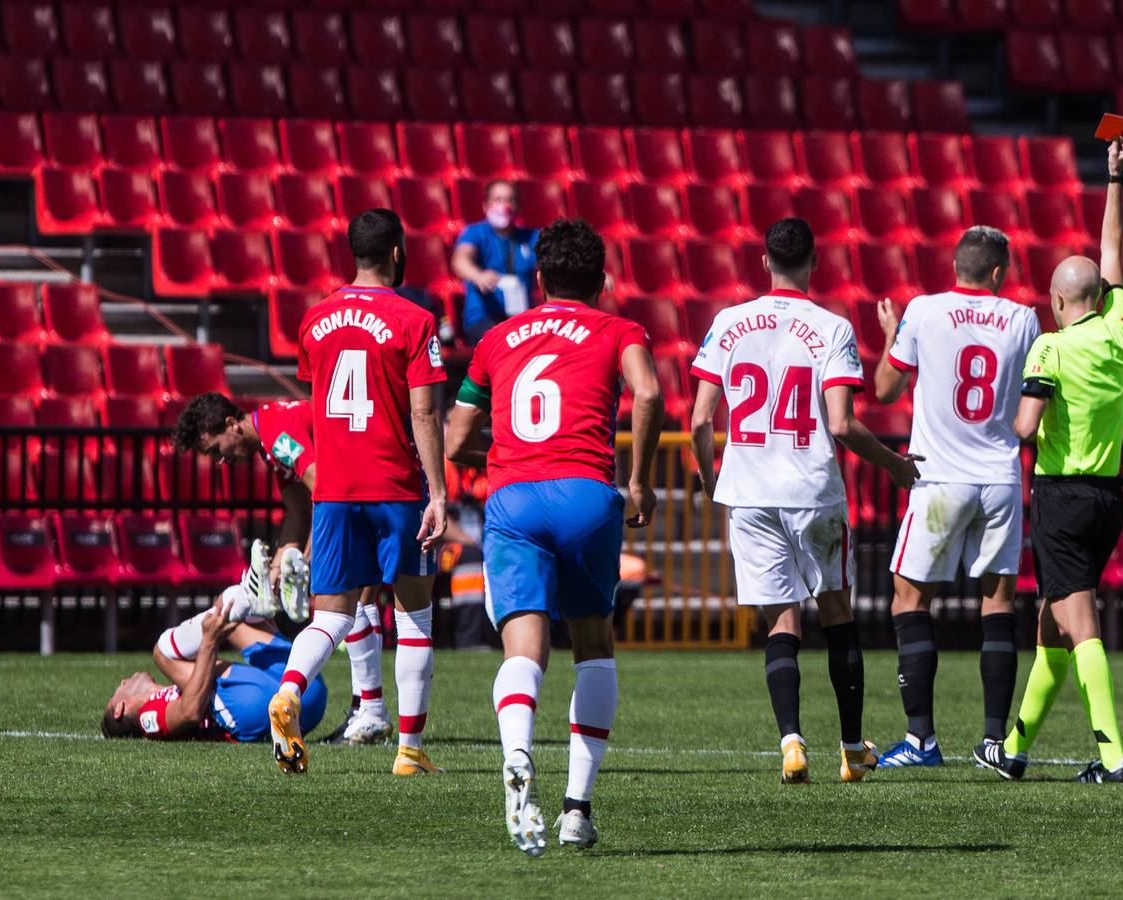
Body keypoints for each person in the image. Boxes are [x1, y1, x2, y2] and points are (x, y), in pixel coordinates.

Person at [444, 218, 664, 855]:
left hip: (513, 498)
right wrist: (642, 482)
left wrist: (507, 448)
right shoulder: (620, 329)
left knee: (523, 650)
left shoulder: (496, 338)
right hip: (588, 496)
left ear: (539, 279)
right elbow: (648, 393)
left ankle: (517, 756)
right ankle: (575, 809)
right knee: (593, 644)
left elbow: (457, 440)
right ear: (600, 281)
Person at [687, 218, 922, 786]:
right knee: (836, 613)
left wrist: (707, 476)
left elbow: (698, 419)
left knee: (781, 619)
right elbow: (841, 424)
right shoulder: (832, 328)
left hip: (749, 492)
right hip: (810, 489)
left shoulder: (729, 323)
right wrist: (893, 465)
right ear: (814, 264)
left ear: (764, 262)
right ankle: (850, 747)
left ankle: (791, 742)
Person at [976, 138, 1123, 784]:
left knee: (1081, 622)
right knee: (1051, 626)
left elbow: (1025, 426)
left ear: (1056, 300)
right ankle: (1013, 750)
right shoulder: (1120, 329)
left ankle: (1113, 758)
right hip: (1107, 499)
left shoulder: (1050, 348)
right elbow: (1113, 253)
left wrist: (1009, 419)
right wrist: (1114, 180)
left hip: (1062, 498)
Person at [268, 208, 449, 776]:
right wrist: (438, 491)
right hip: (395, 485)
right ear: (397, 252)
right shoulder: (414, 319)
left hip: (336, 489)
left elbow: (318, 399)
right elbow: (424, 410)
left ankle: (291, 691)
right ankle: (410, 752)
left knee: (332, 618)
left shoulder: (314, 319)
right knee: (414, 615)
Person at [868, 227, 1041, 768]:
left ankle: (921, 740)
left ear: (956, 267)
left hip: (940, 478)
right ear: (997, 273)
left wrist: (895, 333)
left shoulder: (922, 311)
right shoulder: (1023, 318)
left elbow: (884, 390)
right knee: (998, 604)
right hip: (999, 477)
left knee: (910, 598)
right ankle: (993, 740)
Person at [173, 392, 435, 747]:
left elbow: (320, 485)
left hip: (367, 486)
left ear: (232, 425)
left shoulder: (277, 434)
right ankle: (369, 711)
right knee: (357, 601)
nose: (219, 461)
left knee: (346, 603)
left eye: (216, 449)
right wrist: (279, 566)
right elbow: (298, 510)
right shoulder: (271, 435)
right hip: (369, 483)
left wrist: (311, 553)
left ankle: (367, 711)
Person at [102, 594, 328, 744]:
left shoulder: (172, 690)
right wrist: (209, 640)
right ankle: (255, 590)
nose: (123, 681)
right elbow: (190, 712)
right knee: (162, 651)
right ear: (120, 708)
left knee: (233, 613)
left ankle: (263, 591)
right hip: (252, 709)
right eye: (116, 690)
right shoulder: (147, 718)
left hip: (307, 692)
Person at [451, 180, 540, 345]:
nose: (504, 206)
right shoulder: (475, 233)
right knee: (504, 343)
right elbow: (460, 259)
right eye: (498, 200)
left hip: (522, 319)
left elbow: (557, 257)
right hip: (483, 320)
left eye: (509, 200)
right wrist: (477, 275)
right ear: (486, 205)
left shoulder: (531, 237)